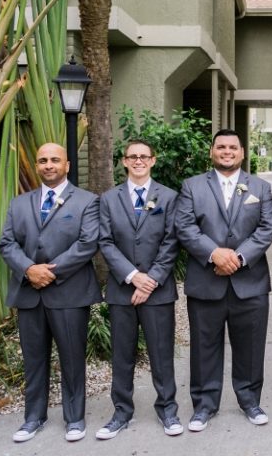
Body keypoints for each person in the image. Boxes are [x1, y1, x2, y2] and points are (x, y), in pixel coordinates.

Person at [0, 143, 101, 443]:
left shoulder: (86, 201)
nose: (48, 165)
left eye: (55, 160)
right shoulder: (19, 204)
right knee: (33, 359)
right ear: (36, 165)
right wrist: (29, 269)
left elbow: (87, 243)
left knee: (72, 358)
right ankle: (33, 417)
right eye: (42, 160)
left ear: (67, 165)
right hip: (29, 294)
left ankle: (74, 418)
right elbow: (7, 243)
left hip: (69, 293)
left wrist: (50, 272)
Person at [175, 129, 272, 432]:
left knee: (251, 345)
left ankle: (250, 401)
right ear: (211, 152)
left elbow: (267, 228)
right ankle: (204, 405)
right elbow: (185, 226)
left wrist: (239, 258)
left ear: (243, 152)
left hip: (250, 282)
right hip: (206, 280)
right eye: (221, 146)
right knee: (204, 346)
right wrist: (215, 254)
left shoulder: (260, 187)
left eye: (233, 147)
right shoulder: (192, 186)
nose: (227, 151)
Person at [95, 139, 182, 439]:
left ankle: (168, 410)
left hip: (158, 291)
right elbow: (105, 241)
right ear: (124, 161)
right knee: (122, 354)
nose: (139, 161)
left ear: (153, 161)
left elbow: (172, 241)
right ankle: (121, 412)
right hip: (122, 289)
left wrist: (152, 279)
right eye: (133, 156)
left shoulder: (168, 197)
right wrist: (133, 276)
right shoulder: (108, 199)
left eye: (144, 156)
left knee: (161, 353)